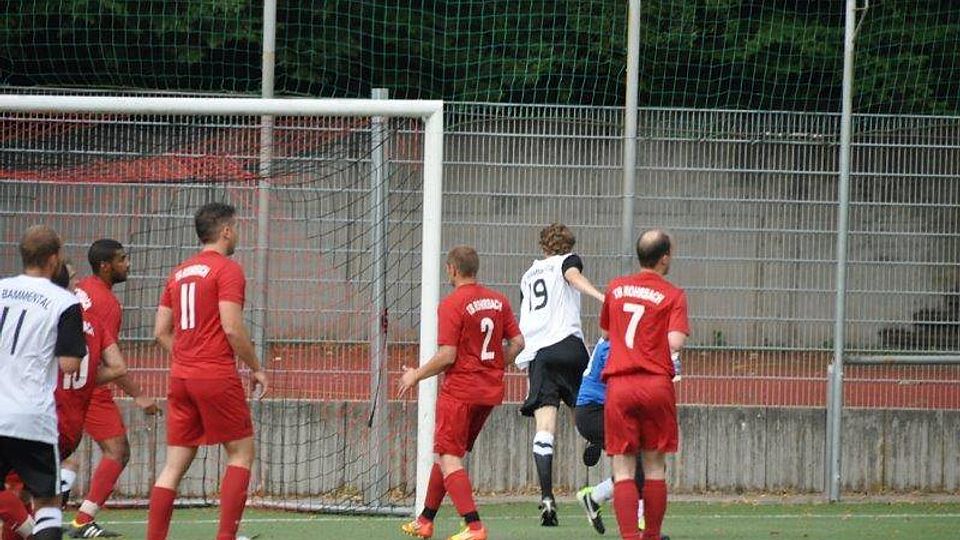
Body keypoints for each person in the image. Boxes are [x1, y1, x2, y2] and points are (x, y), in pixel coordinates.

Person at [146, 203, 268, 540]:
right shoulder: (228, 270)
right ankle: (226, 536)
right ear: (226, 231)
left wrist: (188, 356)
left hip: (181, 378)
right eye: (235, 227)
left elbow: (160, 331)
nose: (237, 233)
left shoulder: (178, 272)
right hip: (215, 375)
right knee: (241, 454)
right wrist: (257, 368)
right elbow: (232, 328)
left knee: (173, 466)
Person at [398, 245, 524, 540]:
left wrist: (415, 375)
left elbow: (448, 355)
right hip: (488, 392)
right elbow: (518, 343)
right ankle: (425, 520)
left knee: (449, 457)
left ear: (452, 269)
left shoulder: (452, 304)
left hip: (460, 392)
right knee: (446, 455)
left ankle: (474, 526)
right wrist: (495, 364)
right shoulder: (499, 300)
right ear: (475, 269)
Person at [65, 239, 157, 538]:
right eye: (122, 259)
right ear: (105, 266)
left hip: (66, 384)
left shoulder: (84, 289)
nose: (127, 264)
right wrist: (139, 395)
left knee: (59, 455)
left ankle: (56, 516)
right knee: (117, 451)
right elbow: (111, 361)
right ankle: (79, 521)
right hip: (89, 387)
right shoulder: (106, 304)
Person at [600, 230, 689, 540]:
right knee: (654, 467)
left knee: (623, 469)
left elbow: (607, 333)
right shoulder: (674, 295)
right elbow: (675, 342)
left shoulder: (615, 288)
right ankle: (651, 535)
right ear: (664, 258)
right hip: (655, 385)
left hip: (620, 385)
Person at [515, 223, 605, 526]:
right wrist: (602, 297)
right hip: (569, 346)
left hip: (540, 355)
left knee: (544, 428)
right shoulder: (567, 261)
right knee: (587, 408)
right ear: (569, 246)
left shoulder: (528, 276)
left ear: (543, 247)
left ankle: (547, 497)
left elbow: (527, 315)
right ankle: (594, 438)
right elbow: (573, 276)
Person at [0, 225, 86, 540]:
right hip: (31, 416)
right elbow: (69, 365)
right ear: (54, 259)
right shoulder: (64, 302)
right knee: (47, 502)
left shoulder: (1, 289)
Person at [574, 336, 646, 535]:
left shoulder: (621, 336)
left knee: (640, 463)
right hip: (595, 411)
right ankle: (640, 523)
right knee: (639, 460)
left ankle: (595, 497)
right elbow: (618, 379)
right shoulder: (613, 341)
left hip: (602, 410)